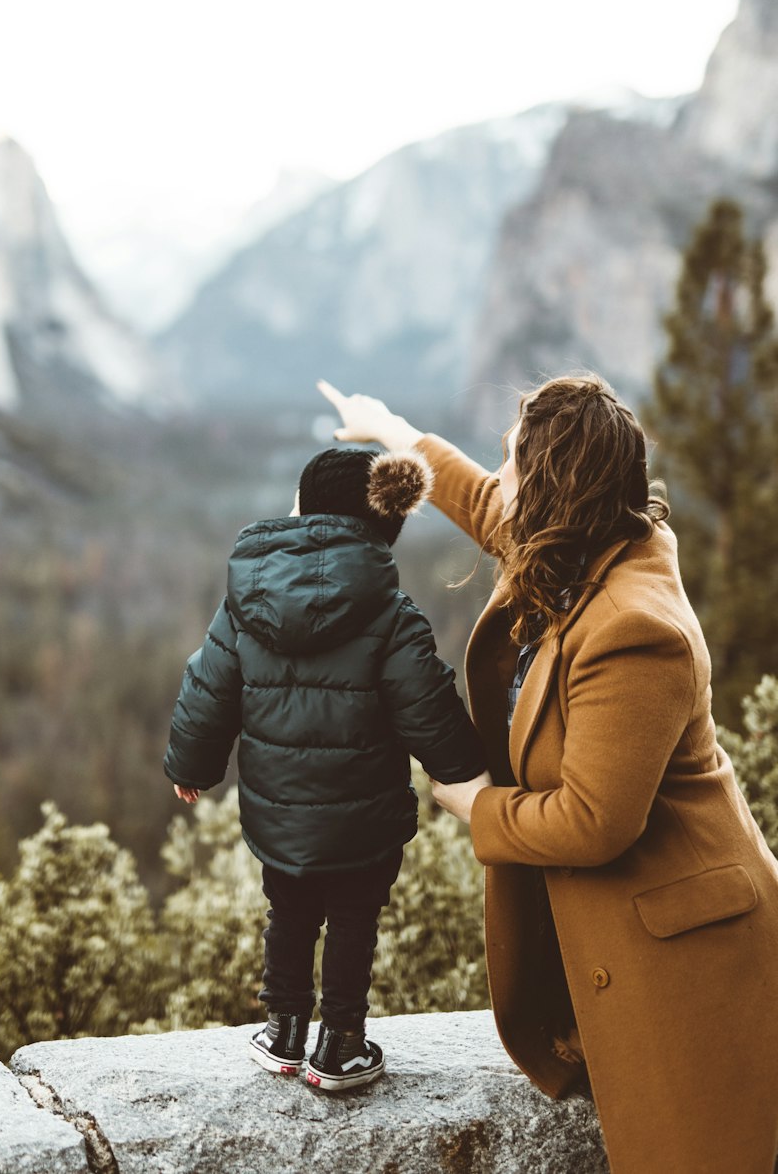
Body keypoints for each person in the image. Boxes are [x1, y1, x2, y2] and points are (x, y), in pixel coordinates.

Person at [318, 373, 778, 1173]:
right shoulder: (583, 549)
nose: (502, 478)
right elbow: (485, 504)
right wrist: (393, 431)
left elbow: (594, 821)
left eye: (515, 462)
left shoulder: (636, 629)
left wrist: (476, 805)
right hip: (645, 942)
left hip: (695, 965)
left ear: (555, 489)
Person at [163, 444, 487, 1091]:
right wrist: (467, 774)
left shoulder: (245, 604)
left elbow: (208, 689)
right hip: (364, 818)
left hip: (277, 811)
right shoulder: (391, 614)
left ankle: (283, 1032)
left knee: (287, 910)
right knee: (353, 920)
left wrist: (192, 764)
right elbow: (429, 705)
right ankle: (339, 1044)